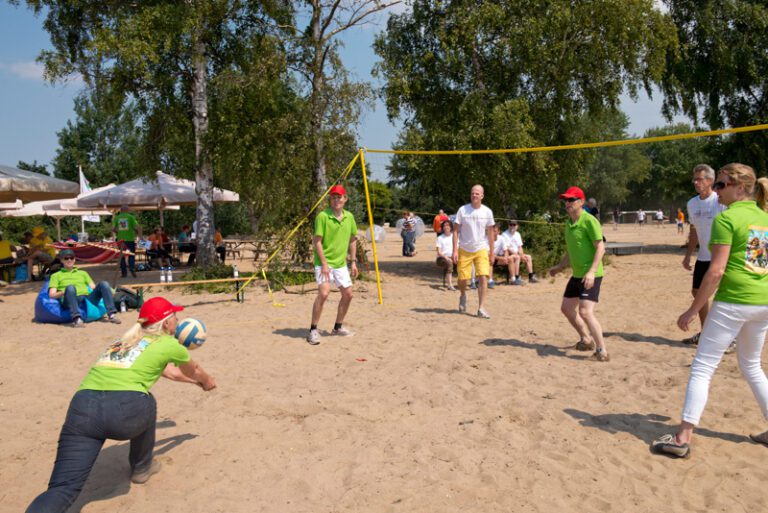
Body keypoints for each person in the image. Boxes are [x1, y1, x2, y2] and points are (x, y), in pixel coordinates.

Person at [25, 296, 216, 512]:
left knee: (62, 489)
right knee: (147, 401)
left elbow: (169, 372)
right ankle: (141, 467)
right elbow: (194, 370)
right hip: (124, 410)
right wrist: (207, 382)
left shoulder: (124, 342)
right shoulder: (170, 344)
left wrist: (195, 384)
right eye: (174, 316)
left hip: (83, 407)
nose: (178, 320)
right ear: (165, 323)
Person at [652, 163, 768, 459]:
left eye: (721, 185)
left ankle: (682, 438)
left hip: (734, 301)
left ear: (740, 187)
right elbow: (758, 263)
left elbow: (715, 271)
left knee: (703, 367)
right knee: (752, 366)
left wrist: (692, 310)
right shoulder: (763, 217)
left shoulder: (726, 219)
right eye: (716, 184)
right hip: (762, 302)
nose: (716, 191)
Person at [549, 186, 609, 362]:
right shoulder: (569, 223)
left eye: (571, 200)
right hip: (577, 274)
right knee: (566, 309)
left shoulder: (589, 221)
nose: (567, 203)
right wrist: (560, 266)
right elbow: (572, 251)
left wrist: (591, 272)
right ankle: (586, 340)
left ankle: (602, 352)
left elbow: (601, 248)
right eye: (565, 200)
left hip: (591, 274)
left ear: (581, 202)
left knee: (585, 312)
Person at [307, 184, 358, 345]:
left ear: (345, 199)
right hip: (324, 262)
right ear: (330, 199)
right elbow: (317, 241)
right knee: (324, 293)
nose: (337, 200)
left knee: (348, 294)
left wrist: (353, 262)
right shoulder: (323, 216)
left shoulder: (349, 217)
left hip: (340, 264)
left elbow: (352, 239)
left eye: (339, 197)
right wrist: (324, 264)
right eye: (334, 197)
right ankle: (313, 330)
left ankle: (337, 327)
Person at [682, 164, 727, 346]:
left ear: (710, 181)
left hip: (721, 257)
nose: (695, 182)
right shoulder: (692, 203)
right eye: (694, 179)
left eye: (699, 179)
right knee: (697, 292)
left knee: (723, 297)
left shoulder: (720, 201)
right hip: (703, 256)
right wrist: (688, 255)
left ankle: (727, 338)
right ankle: (706, 333)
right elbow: (694, 230)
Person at [48, 249, 122, 328]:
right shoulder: (56, 276)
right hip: (71, 299)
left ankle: (112, 315)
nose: (69, 260)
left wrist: (109, 290)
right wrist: (63, 292)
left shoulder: (83, 273)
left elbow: (93, 287)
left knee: (104, 283)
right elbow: (51, 295)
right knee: (70, 287)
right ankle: (77, 319)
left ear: (74, 259)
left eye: (71, 258)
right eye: (66, 258)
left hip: (86, 299)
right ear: (61, 260)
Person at [453, 184, 495, 319]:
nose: (474, 195)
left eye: (477, 193)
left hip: (481, 248)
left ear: (482, 196)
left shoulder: (487, 212)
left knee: (483, 276)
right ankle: (463, 295)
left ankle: (481, 308)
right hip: (464, 248)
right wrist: (454, 250)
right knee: (462, 279)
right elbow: (455, 231)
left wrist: (492, 252)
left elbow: (491, 233)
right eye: (472, 193)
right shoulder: (462, 210)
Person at [113, 206, 141, 278]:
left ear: (121, 210)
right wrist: (137, 233)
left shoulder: (116, 218)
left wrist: (118, 233)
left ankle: (124, 273)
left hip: (120, 240)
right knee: (131, 255)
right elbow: (137, 227)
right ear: (126, 210)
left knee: (122, 257)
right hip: (130, 239)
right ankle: (131, 267)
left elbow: (113, 229)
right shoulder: (131, 217)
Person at [489, 223, 518, 288]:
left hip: (497, 258)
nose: (493, 233)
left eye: (494, 231)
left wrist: (505, 257)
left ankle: (513, 279)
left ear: (498, 232)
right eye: (492, 231)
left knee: (510, 259)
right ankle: (490, 281)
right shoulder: (486, 239)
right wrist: (500, 258)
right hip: (488, 258)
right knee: (490, 261)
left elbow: (506, 250)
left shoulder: (501, 238)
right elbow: (488, 254)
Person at [435, 220, 456, 290]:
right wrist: (446, 257)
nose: (446, 227)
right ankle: (450, 285)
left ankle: (469, 282)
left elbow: (458, 248)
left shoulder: (454, 236)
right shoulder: (440, 238)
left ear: (451, 227)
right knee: (449, 263)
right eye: (444, 225)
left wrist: (456, 255)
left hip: (453, 256)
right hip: (442, 258)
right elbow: (439, 252)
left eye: (447, 225)